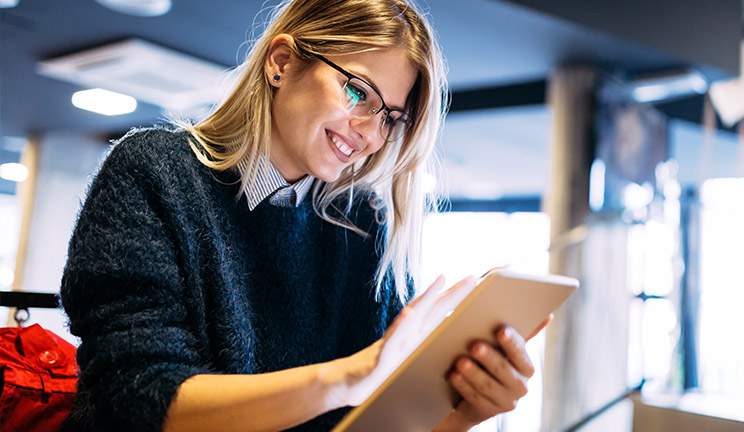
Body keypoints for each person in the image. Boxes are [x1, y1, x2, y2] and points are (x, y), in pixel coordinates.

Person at [59, 0, 540, 431]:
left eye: (391, 117)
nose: (370, 134)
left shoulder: (364, 224)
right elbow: (138, 397)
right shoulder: (154, 172)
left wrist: (464, 413)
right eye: (358, 92)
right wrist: (346, 379)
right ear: (282, 63)